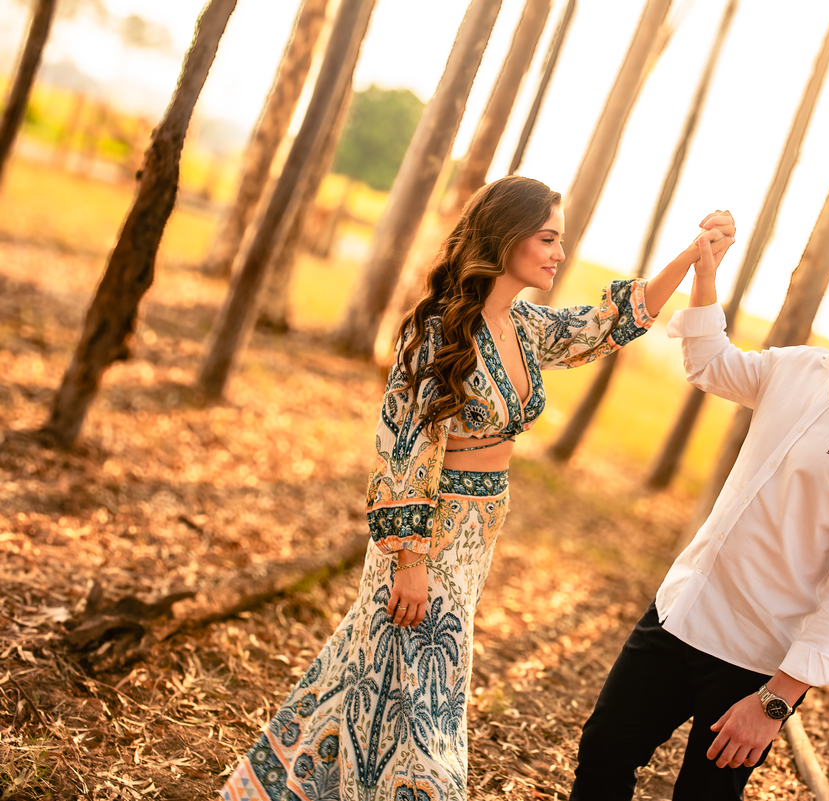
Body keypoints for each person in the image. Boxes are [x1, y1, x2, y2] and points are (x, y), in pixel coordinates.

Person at [218, 176, 734, 801]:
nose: (558, 253)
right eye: (547, 238)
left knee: (376, 673)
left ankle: (297, 786)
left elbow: (605, 324)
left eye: (560, 240)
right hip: (426, 537)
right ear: (507, 237)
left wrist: (692, 254)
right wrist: (410, 562)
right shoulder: (437, 330)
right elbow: (402, 447)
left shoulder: (523, 328)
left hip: (477, 531)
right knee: (422, 697)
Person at [570, 235, 829, 800]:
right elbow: (709, 364)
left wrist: (776, 702)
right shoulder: (796, 368)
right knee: (602, 757)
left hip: (753, 662)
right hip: (680, 610)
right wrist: (705, 274)